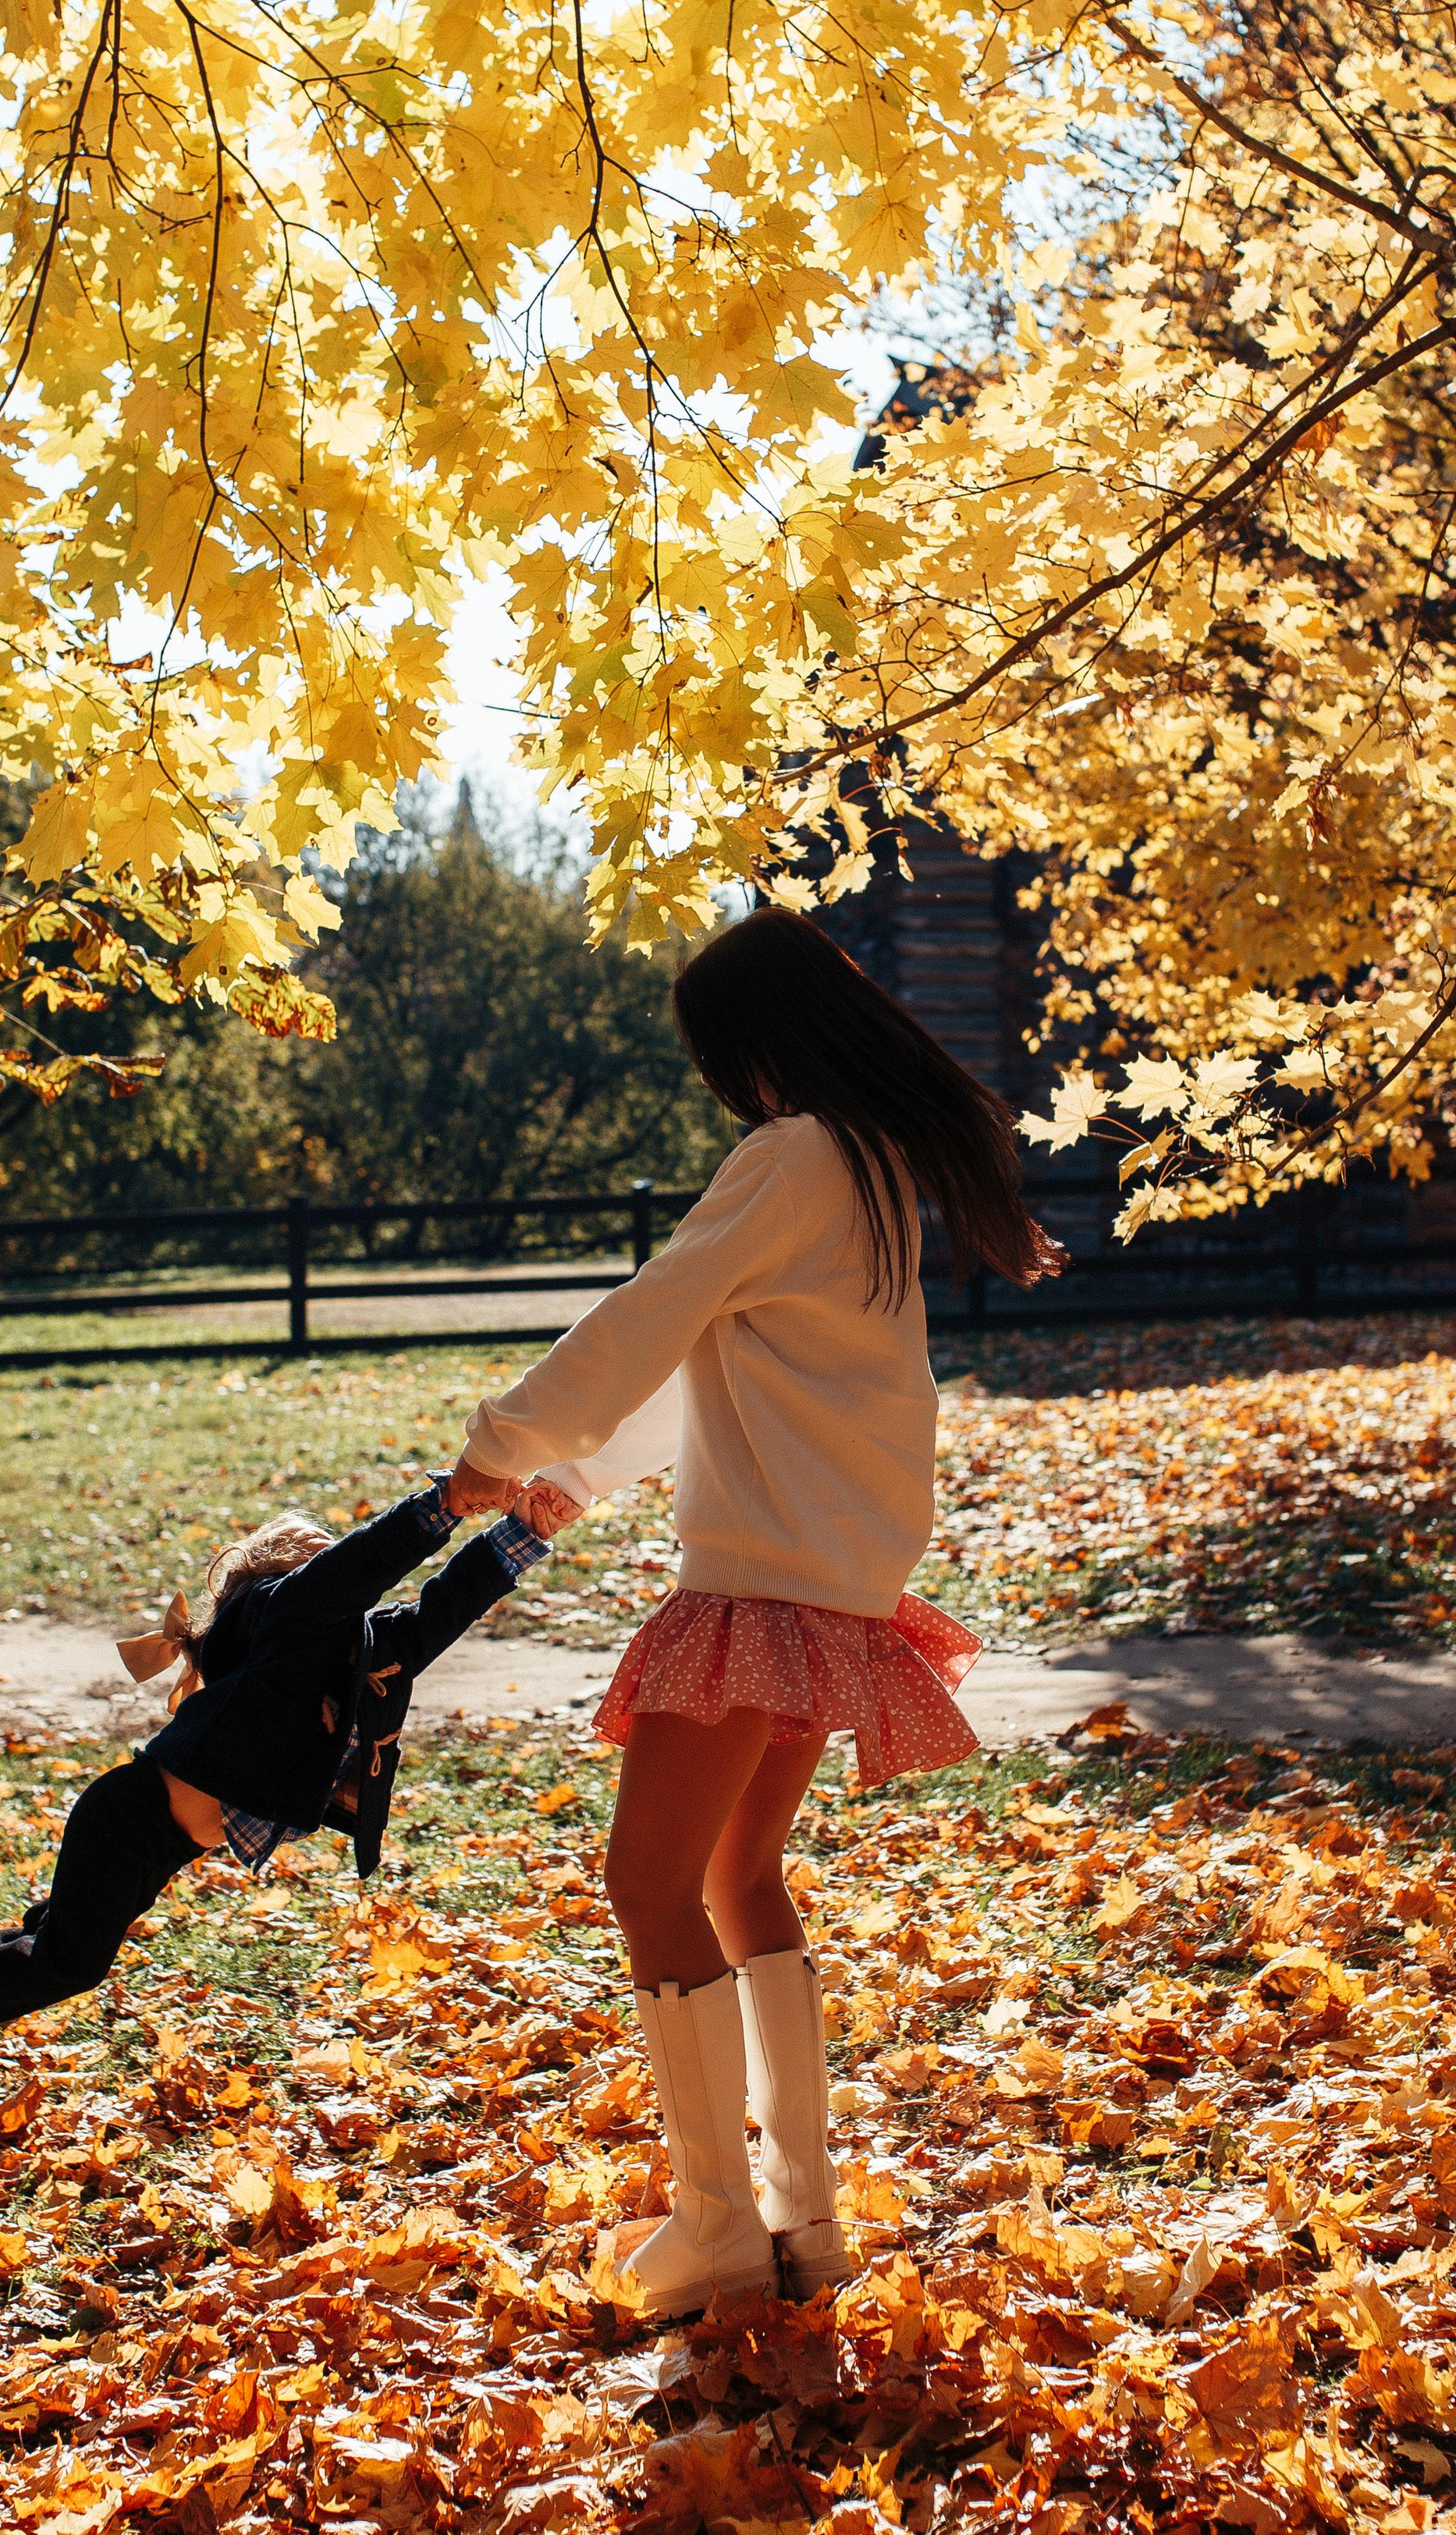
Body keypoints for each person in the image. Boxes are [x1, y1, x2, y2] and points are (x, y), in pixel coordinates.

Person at [451, 907, 1064, 2317]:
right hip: (829, 1589)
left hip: (760, 1588)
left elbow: (658, 1307)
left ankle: (720, 2224)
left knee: (649, 1886)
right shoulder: (868, 1170)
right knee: (738, 1881)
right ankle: (804, 2218)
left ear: (753, 1051)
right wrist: (580, 1477)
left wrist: (506, 1443)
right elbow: (742, 1362)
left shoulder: (792, 1158)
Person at [0, 1469, 583, 2116]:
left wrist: (522, 1531)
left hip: (152, 1840)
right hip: (126, 1818)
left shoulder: (363, 1650)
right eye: (326, 1585)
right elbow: (362, 1565)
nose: (342, 1606)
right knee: (68, 1959)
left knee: (50, 1938)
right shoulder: (281, 1612)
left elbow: (443, 1607)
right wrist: (446, 1503)